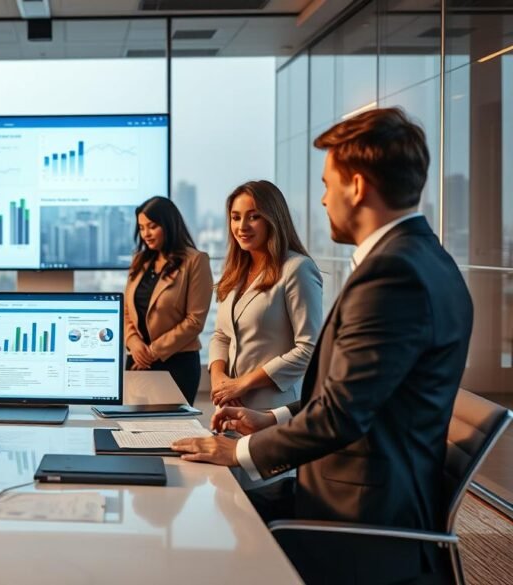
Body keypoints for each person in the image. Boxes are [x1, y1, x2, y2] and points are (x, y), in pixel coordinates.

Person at [173, 108, 473, 583]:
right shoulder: (425, 259)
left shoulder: (393, 275)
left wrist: (240, 452)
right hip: (357, 491)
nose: (323, 199)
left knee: (203, 530)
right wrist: (268, 420)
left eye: (327, 183)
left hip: (355, 514)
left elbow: (342, 416)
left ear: (356, 187)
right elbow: (350, 398)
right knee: (212, 505)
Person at [209, 180, 322, 413]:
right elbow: (222, 335)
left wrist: (243, 383)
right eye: (235, 217)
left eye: (253, 217)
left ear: (273, 219)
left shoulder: (297, 269)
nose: (242, 226)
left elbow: (309, 349)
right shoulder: (235, 271)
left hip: (275, 409)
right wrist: (220, 381)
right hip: (231, 407)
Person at [124, 196, 213, 404]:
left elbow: (195, 320)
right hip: (137, 361)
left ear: (169, 224)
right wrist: (134, 343)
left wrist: (152, 352)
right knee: (133, 431)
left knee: (170, 432)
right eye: (142, 227)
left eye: (152, 226)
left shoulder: (196, 261)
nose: (145, 234)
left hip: (176, 364)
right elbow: (127, 310)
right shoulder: (140, 261)